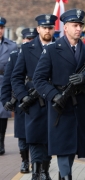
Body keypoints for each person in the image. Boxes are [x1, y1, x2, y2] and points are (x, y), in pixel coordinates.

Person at [33, 9, 85, 180]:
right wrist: (54, 95)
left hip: (79, 104)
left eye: (80, 25)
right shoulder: (53, 49)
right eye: (74, 25)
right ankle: (66, 176)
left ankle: (64, 175)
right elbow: (39, 79)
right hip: (60, 106)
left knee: (73, 146)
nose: (78, 29)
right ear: (66, 27)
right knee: (62, 146)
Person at [12, 15, 57, 180]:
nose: (47, 30)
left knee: (50, 138)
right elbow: (16, 77)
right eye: (44, 27)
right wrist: (23, 97)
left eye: (50, 27)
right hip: (33, 99)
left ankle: (46, 170)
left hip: (53, 98)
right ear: (38, 29)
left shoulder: (58, 47)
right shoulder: (27, 48)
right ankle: (37, 172)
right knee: (35, 137)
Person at [1, 28, 38, 174]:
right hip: (20, 101)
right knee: (22, 134)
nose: (29, 42)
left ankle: (39, 164)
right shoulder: (16, 55)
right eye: (27, 39)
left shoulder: (42, 54)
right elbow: (8, 80)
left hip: (37, 100)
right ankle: (24, 161)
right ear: (23, 40)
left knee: (38, 134)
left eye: (32, 39)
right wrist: (5, 99)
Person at [0, 17, 17, 155]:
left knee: (3, 114)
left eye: (1, 28)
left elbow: (14, 68)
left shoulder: (11, 46)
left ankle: (1, 142)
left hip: (3, 84)